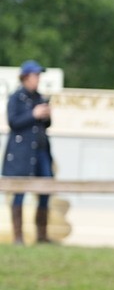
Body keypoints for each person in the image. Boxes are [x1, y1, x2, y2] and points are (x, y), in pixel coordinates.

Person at [4, 60, 55, 245]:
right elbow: (13, 122)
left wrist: (46, 115)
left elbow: (47, 125)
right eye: (35, 75)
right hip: (22, 155)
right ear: (26, 77)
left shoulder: (39, 97)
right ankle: (18, 237)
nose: (38, 79)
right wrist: (33, 114)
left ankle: (41, 235)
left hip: (40, 152)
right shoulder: (16, 97)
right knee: (19, 191)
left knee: (46, 189)